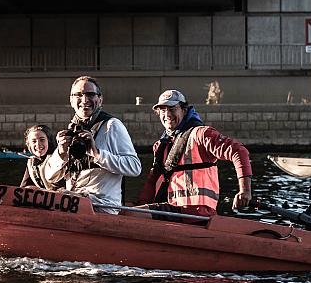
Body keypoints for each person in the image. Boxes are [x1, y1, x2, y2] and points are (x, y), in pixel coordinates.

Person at [135, 89, 252, 222]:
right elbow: (153, 180)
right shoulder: (161, 145)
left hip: (196, 212)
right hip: (174, 209)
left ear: (184, 110)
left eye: (172, 109)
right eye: (162, 110)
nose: (167, 114)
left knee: (131, 215)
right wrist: (140, 205)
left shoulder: (201, 134)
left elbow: (239, 151)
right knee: (128, 211)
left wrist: (245, 191)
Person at [43, 76, 141, 214]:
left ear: (100, 99)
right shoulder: (72, 130)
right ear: (71, 101)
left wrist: (97, 154)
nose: (84, 100)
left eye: (90, 94)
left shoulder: (112, 126)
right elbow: (50, 177)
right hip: (74, 203)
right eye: (78, 95)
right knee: (33, 192)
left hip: (101, 205)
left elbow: (134, 167)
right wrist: (61, 153)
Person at [20, 125, 63, 190]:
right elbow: (22, 189)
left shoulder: (58, 159)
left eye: (42, 140)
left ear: (49, 141)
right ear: (28, 144)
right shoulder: (32, 162)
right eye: (34, 141)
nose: (38, 144)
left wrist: (40, 190)